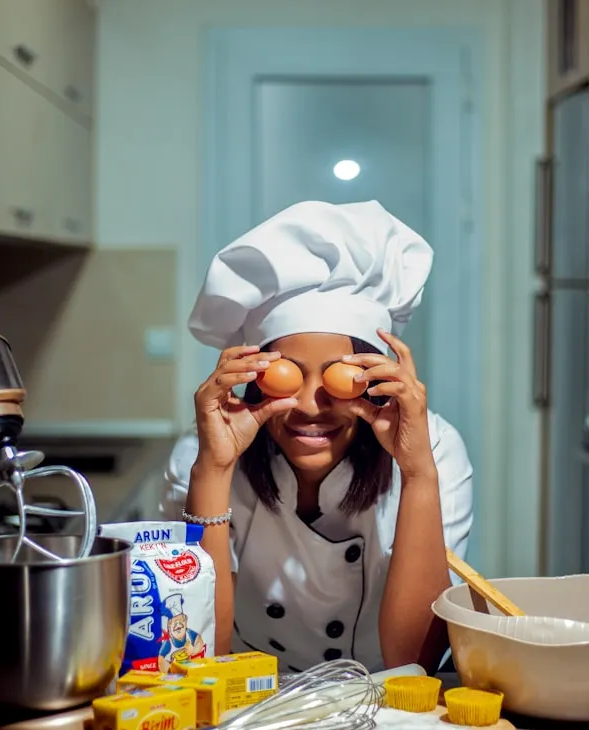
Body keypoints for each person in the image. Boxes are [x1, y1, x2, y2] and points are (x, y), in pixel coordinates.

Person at [160, 200, 474, 674]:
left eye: (338, 379)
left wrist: (417, 472)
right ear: (253, 375)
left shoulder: (434, 447)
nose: (309, 404)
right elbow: (192, 656)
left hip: (380, 699)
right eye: (288, 375)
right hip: (248, 699)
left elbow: (415, 662)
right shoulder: (201, 455)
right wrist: (215, 471)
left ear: (375, 378)